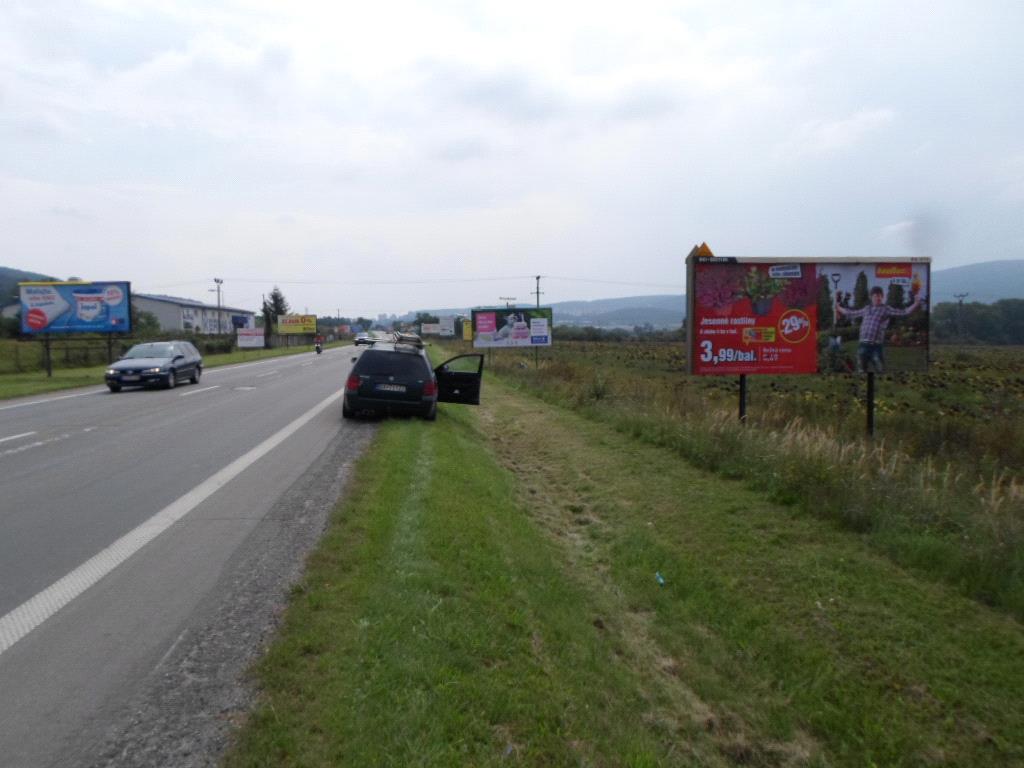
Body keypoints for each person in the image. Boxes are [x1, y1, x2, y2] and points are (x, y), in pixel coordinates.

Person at [836, 286, 921, 373]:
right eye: (876, 296)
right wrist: (839, 308)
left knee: (880, 371)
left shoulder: (886, 309)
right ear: (871, 297)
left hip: (876, 346)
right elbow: (851, 313)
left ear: (882, 297)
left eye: (880, 296)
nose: (878, 298)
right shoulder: (866, 309)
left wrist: (916, 303)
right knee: (861, 371)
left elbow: (904, 312)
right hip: (863, 345)